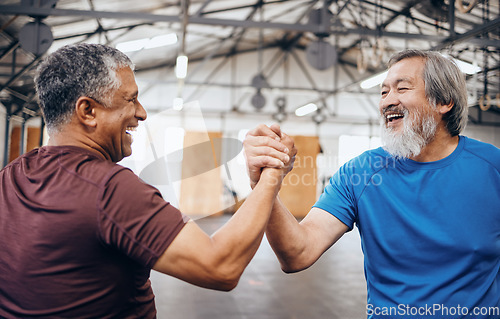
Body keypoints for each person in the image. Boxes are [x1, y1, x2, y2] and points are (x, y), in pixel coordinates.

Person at [0, 43, 295, 318]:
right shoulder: (109, 188)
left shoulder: (9, 177)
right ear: (88, 111)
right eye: (131, 100)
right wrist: (271, 175)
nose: (141, 113)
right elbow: (220, 266)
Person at [244, 49, 500, 319]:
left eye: (402, 88)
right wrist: (265, 185)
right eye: (383, 92)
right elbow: (297, 253)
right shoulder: (360, 173)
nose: (388, 101)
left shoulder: (492, 168)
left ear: (444, 101)